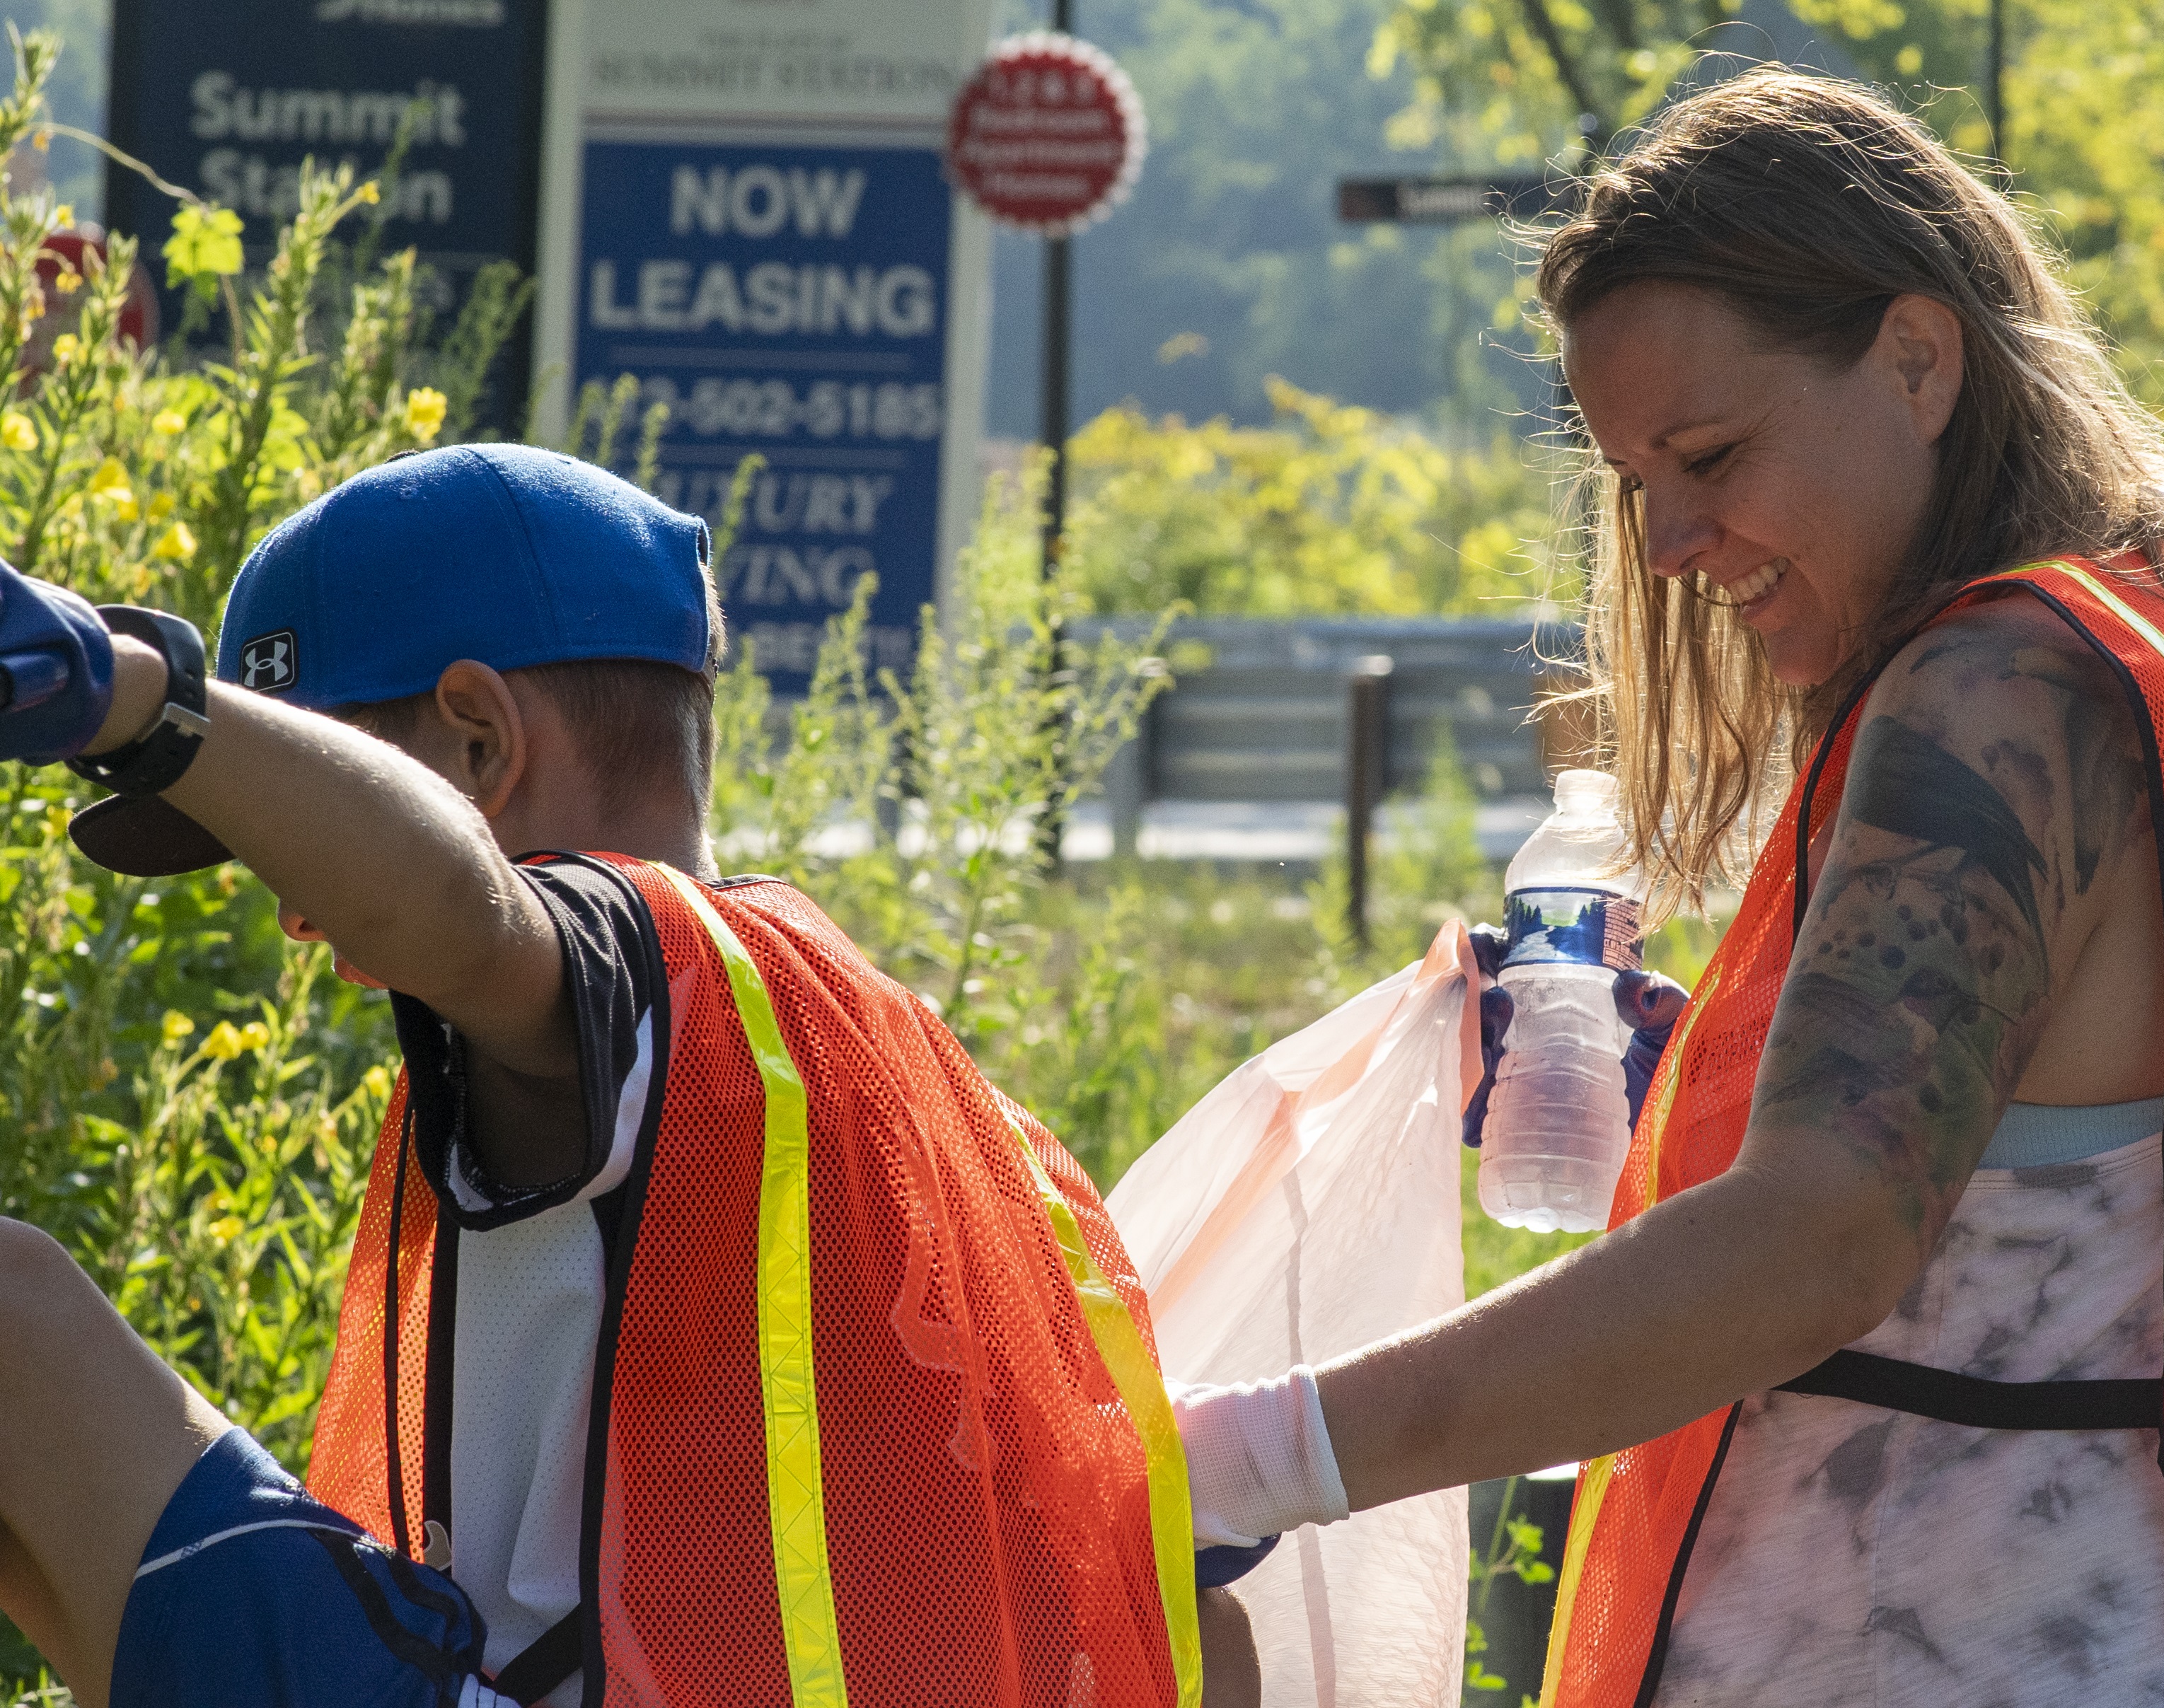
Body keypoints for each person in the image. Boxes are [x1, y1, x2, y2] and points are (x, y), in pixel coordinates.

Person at [1167, 69, 2164, 1707]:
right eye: (1633, 481)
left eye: (1711, 452)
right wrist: (1703, 1080)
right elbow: (2051, 1171)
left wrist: (1257, 1452)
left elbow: (1821, 1243)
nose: (1668, 536)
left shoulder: (1995, 690)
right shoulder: (2151, 628)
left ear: (1916, 358)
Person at [0, 444, 1255, 1707]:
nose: (295, 913)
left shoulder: (634, 977)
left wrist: (135, 699)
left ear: (480, 746)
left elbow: (449, 906)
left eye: (291, 812)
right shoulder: (950, 1110)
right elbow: (1198, 1617)